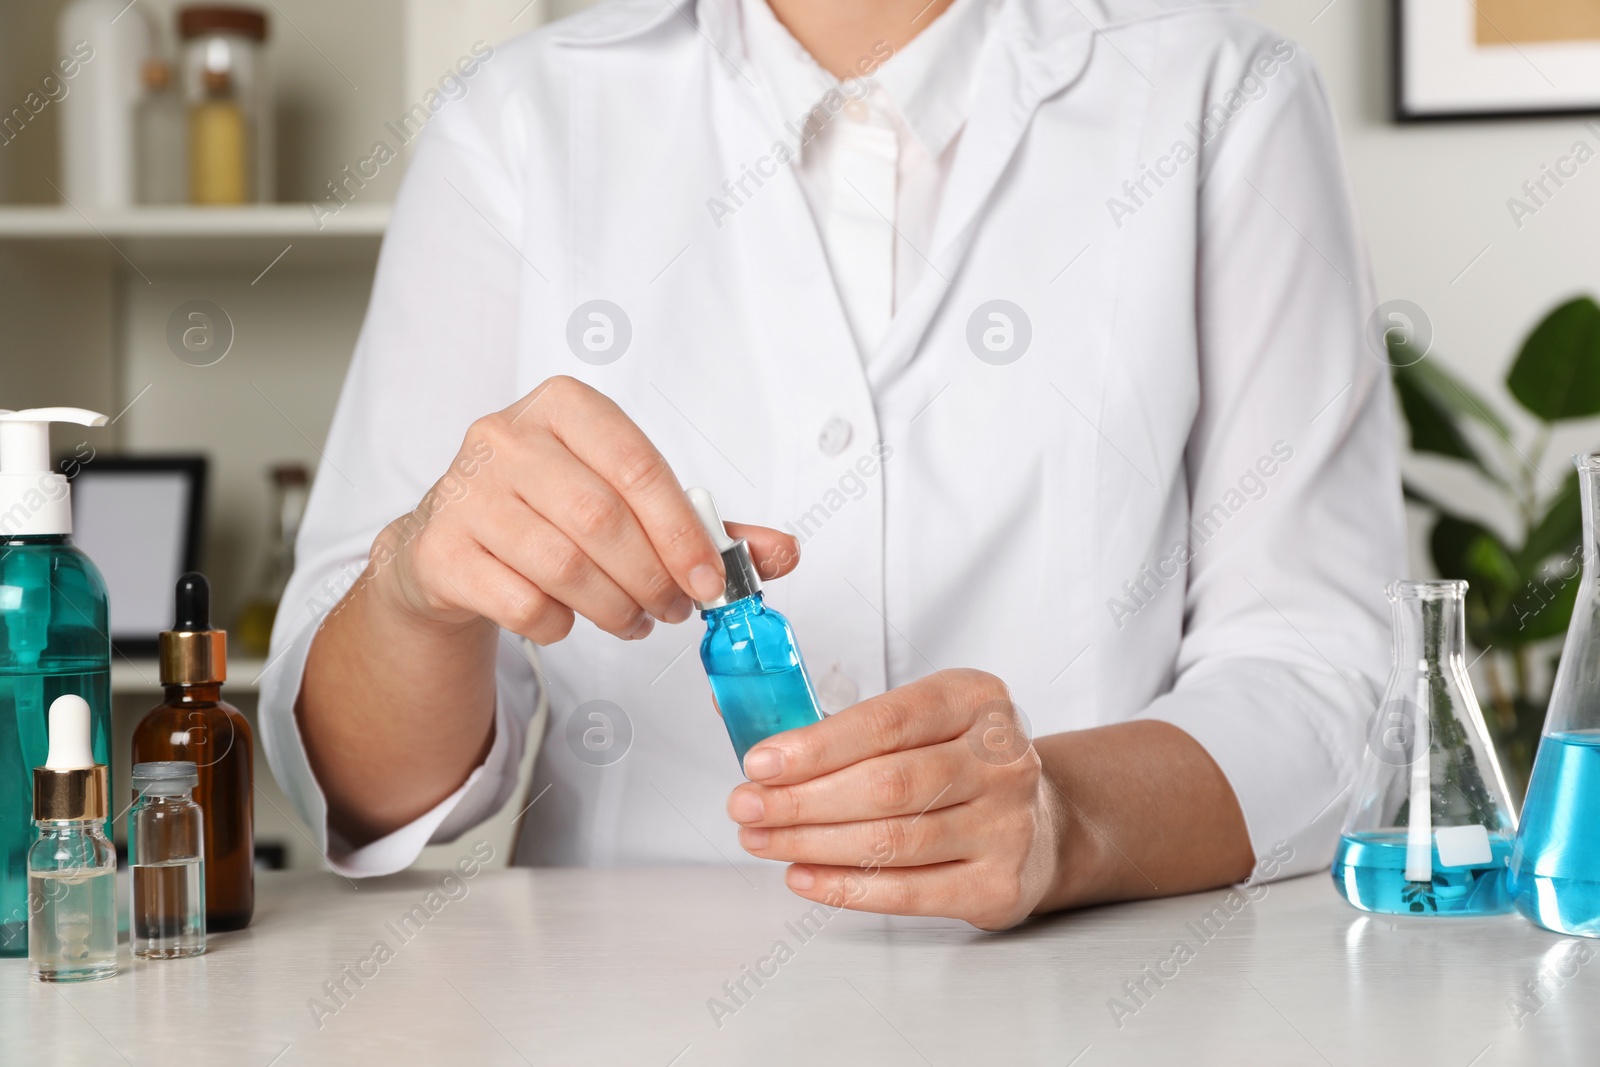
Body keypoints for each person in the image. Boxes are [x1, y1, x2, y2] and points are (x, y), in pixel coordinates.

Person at [260, 0, 1404, 930]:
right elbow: (364, 794)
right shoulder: (518, 118)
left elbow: (1323, 676)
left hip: (1092, 1001)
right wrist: (417, 592)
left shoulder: (1218, 91)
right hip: (621, 1014)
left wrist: (1065, 818)